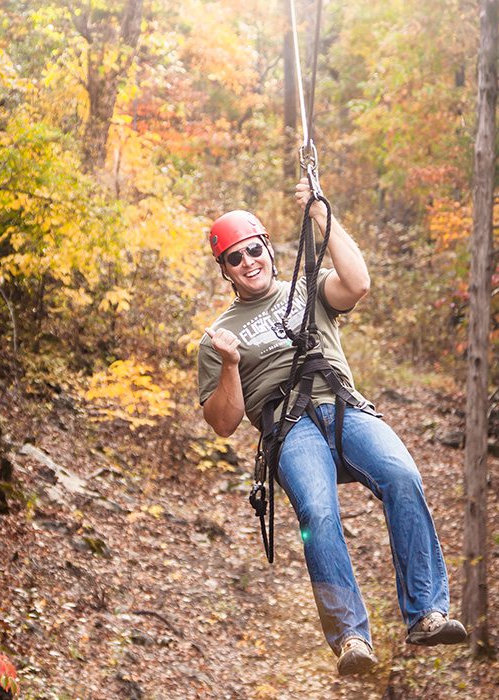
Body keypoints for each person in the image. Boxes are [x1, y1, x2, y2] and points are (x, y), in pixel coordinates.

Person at [197, 177, 467, 676]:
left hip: (343, 406)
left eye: (254, 250)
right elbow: (223, 423)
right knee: (318, 514)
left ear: (268, 251)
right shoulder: (219, 335)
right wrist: (231, 365)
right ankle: (351, 639)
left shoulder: (308, 286)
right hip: (288, 426)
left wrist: (323, 215)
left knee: (403, 477)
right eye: (235, 258)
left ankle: (427, 612)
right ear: (225, 272)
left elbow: (359, 284)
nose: (248, 262)